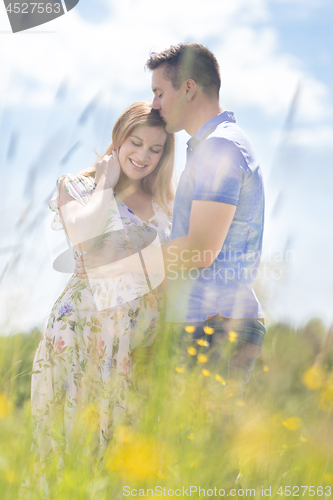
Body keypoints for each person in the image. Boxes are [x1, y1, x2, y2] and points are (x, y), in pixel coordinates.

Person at [25, 101, 175, 493]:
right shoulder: (77, 186)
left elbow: (169, 278)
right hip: (80, 331)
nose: (143, 155)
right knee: (67, 443)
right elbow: (85, 239)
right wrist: (106, 186)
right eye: (135, 142)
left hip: (135, 345)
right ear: (118, 137)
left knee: (121, 459)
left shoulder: (165, 208)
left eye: (155, 149)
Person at [145, 42, 266, 400]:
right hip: (206, 324)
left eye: (159, 92)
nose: (154, 104)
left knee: (193, 450)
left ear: (188, 88)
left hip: (213, 325)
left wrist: (120, 267)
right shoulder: (211, 147)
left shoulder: (220, 147)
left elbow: (199, 250)